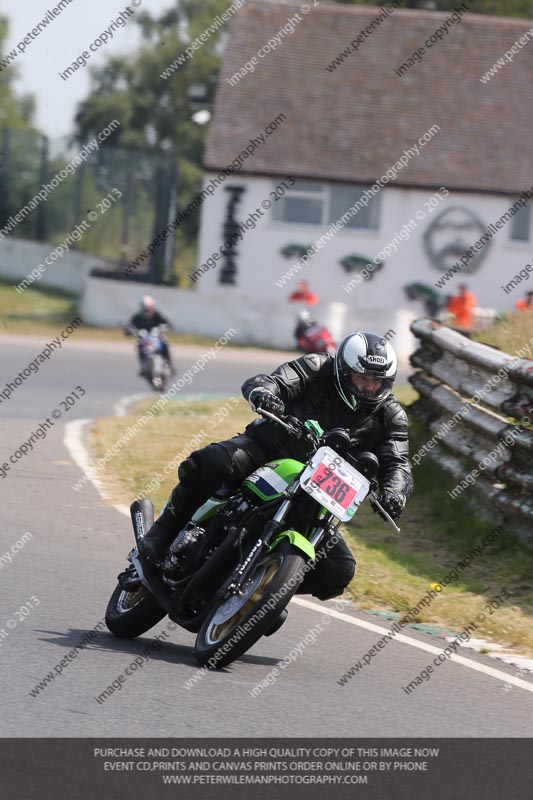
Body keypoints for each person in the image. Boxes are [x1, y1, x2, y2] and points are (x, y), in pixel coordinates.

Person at [139, 332, 413, 601]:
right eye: (362, 378)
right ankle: (162, 533)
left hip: (320, 489)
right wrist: (265, 394)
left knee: (339, 570)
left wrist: (395, 492)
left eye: (376, 381)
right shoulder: (317, 367)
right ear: (343, 371)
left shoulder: (390, 415)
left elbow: (398, 461)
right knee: (208, 464)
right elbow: (272, 382)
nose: (368, 387)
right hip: (267, 450)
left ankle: (262, 591)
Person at [125, 295, 174, 373]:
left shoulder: (156, 315)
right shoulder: (137, 317)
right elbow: (129, 326)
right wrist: (129, 331)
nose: (147, 312)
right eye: (145, 310)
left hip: (156, 337)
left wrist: (165, 327)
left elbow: (167, 323)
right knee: (138, 345)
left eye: (148, 309)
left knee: (165, 342)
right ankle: (143, 366)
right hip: (143, 340)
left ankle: (168, 365)